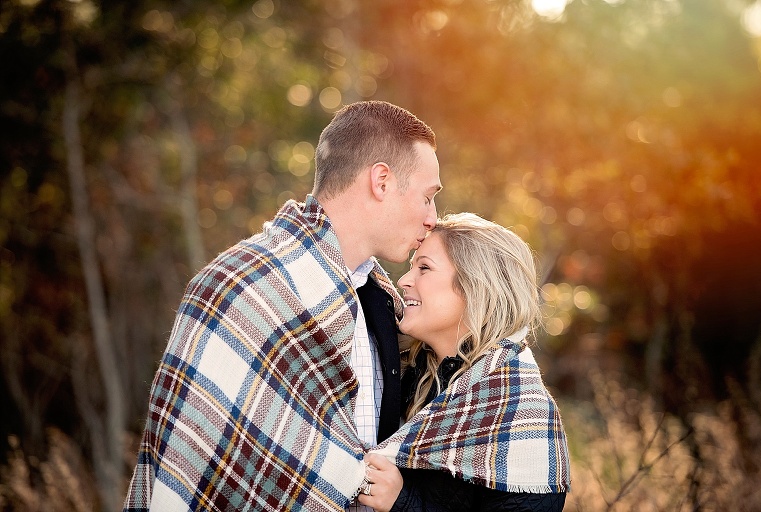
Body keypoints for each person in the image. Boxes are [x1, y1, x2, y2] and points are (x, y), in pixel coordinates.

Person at [123, 100, 442, 511]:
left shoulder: (383, 301)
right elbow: (186, 469)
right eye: (428, 196)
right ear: (381, 181)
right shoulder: (239, 287)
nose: (433, 217)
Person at [355, 213, 571, 512]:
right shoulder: (402, 371)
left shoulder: (520, 408)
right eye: (410, 267)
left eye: (424, 268)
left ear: (474, 287)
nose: (404, 281)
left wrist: (404, 503)